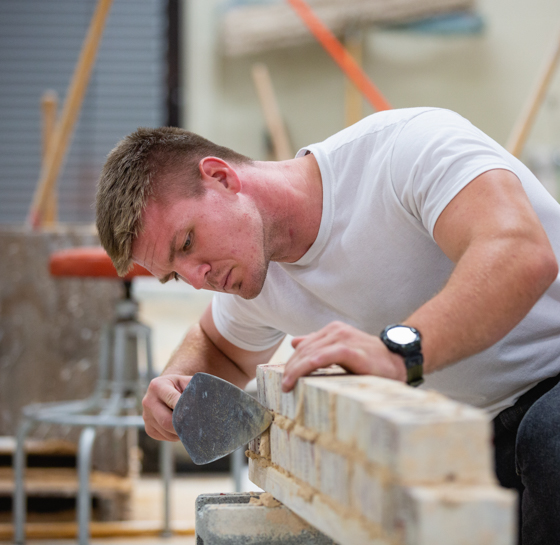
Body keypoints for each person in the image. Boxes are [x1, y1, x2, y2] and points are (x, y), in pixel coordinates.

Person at [96, 107, 560, 544]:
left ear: (221, 177)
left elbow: (521, 254)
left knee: (548, 438)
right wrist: (176, 389)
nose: (199, 278)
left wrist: (398, 352)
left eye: (188, 242)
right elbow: (217, 347)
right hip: (481, 435)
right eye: (176, 273)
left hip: (550, 394)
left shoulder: (407, 148)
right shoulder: (250, 274)